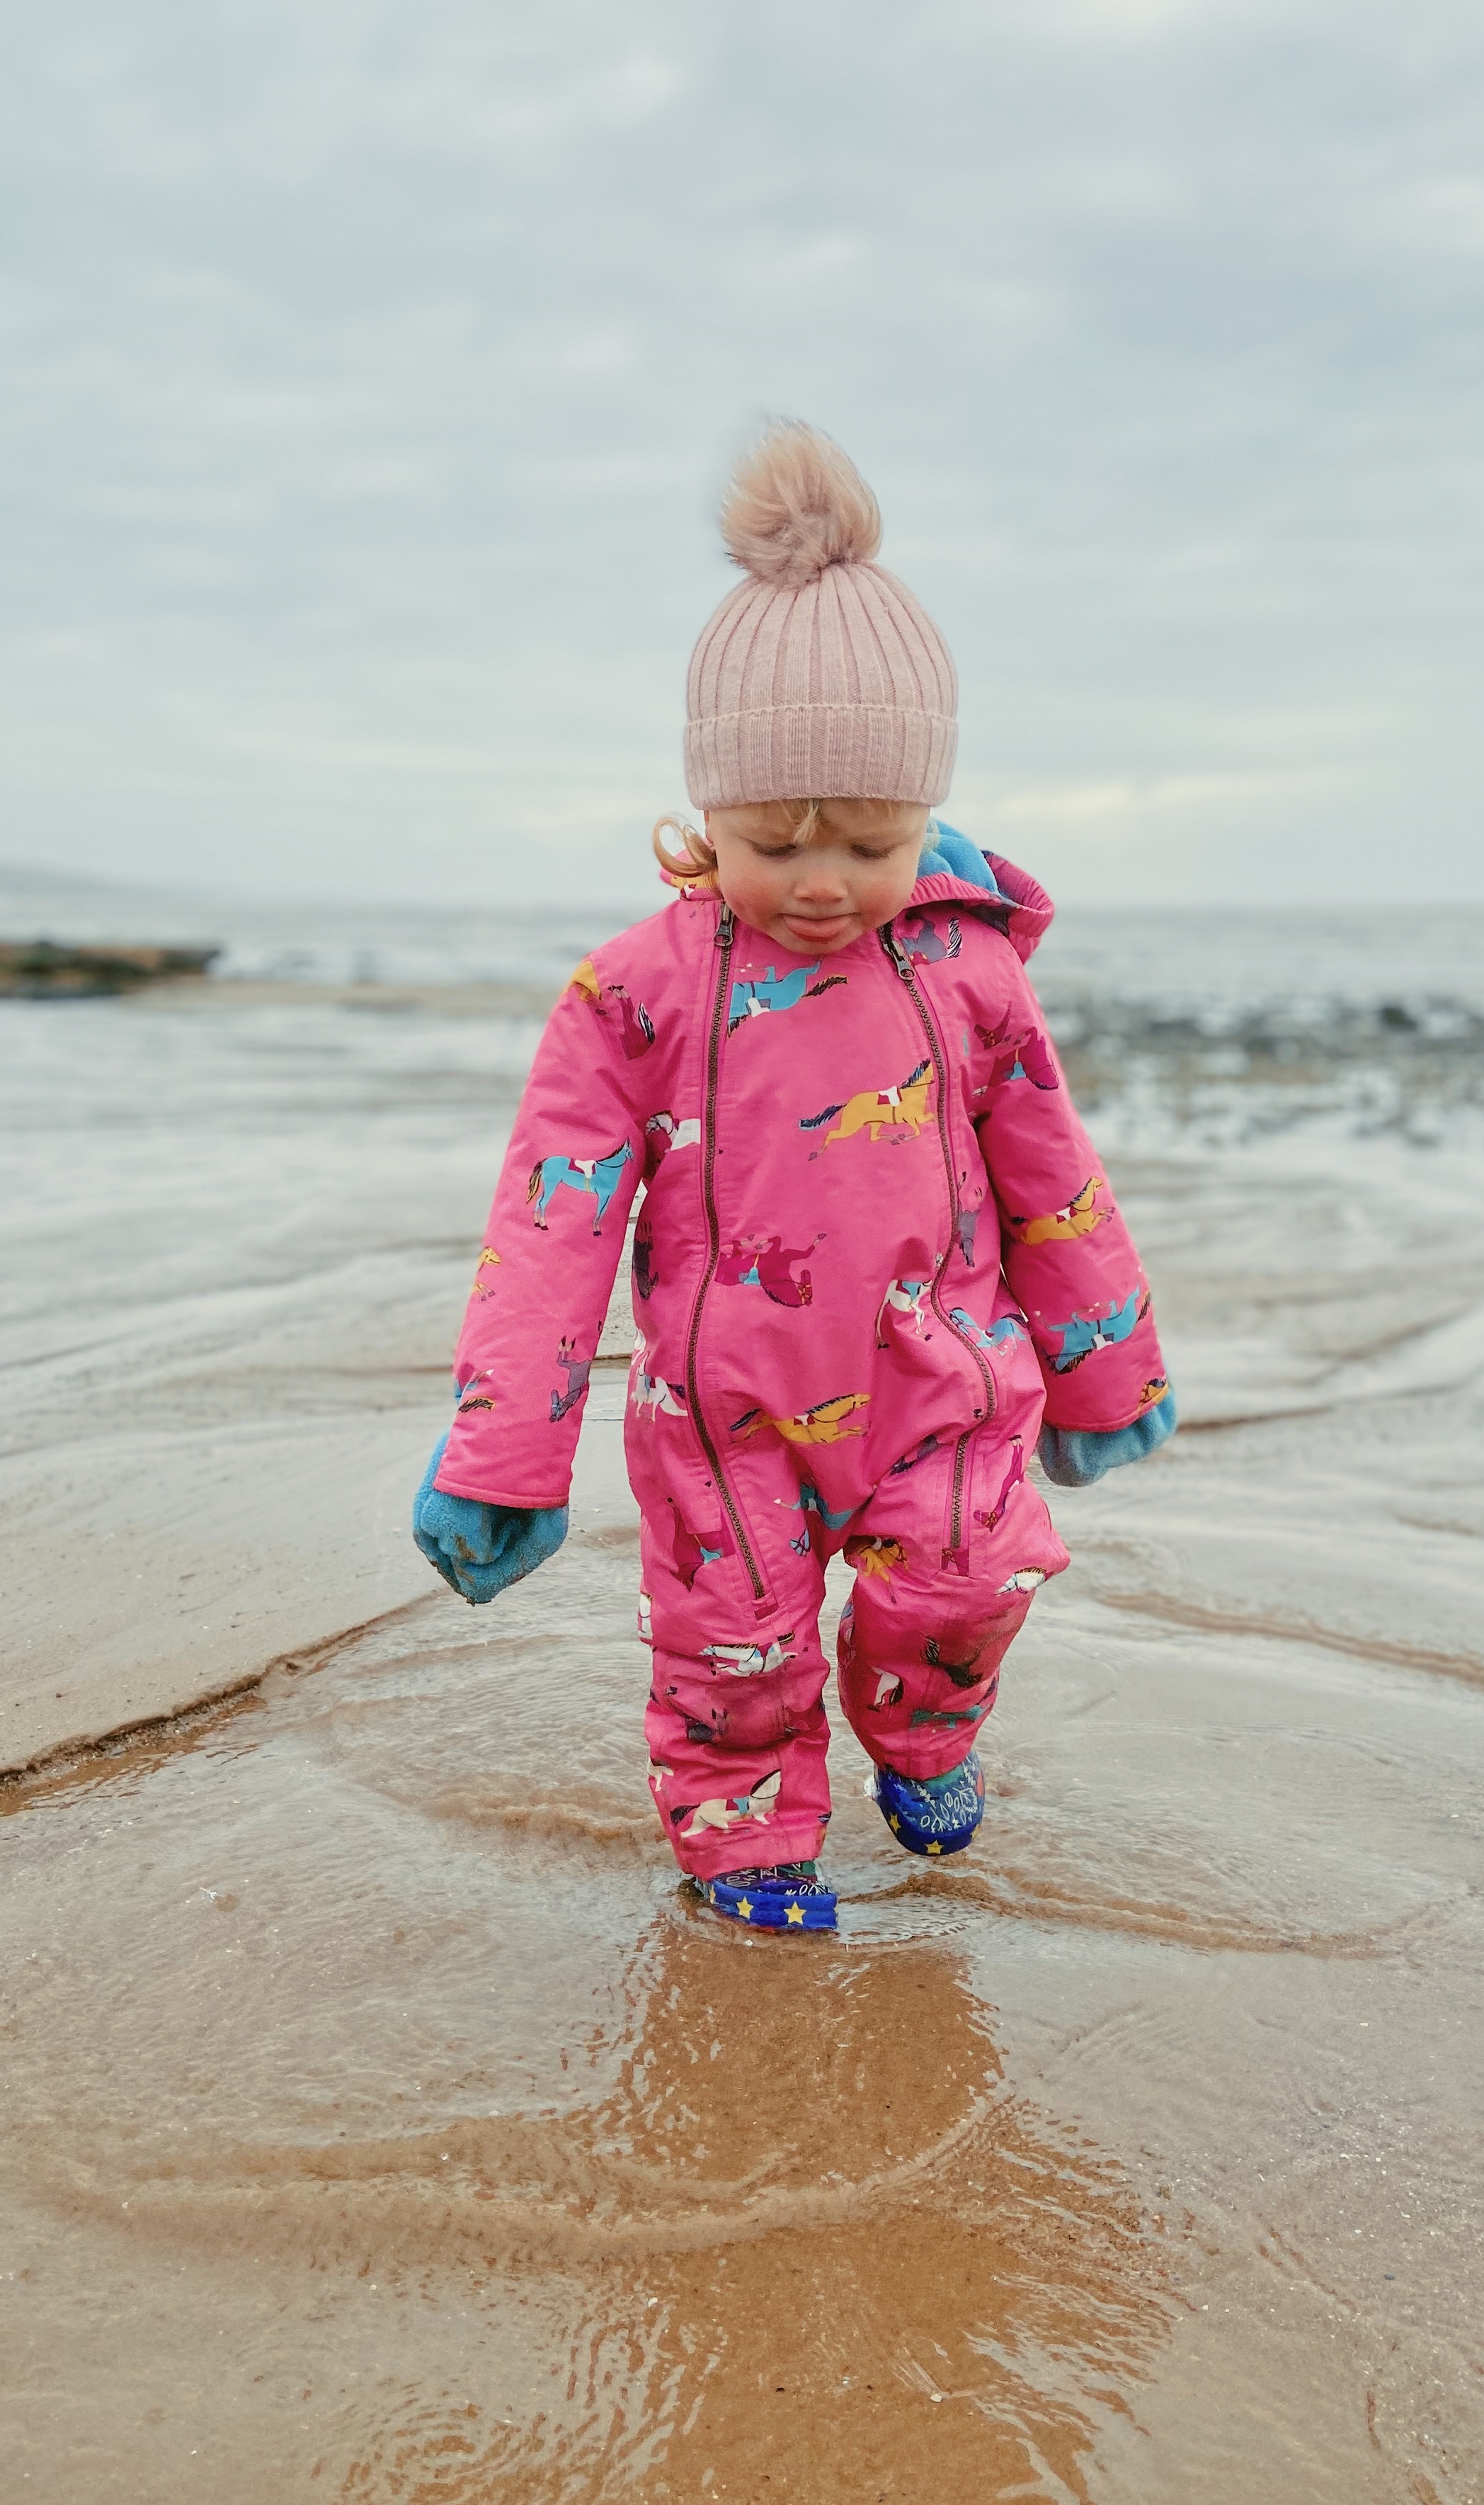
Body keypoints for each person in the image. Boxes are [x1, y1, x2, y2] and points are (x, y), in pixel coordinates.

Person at [413, 423, 1174, 1931]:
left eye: (871, 841)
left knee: (967, 1585)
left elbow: (1051, 1178)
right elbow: (552, 1216)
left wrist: (1105, 1369)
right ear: (707, 816)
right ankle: (749, 1845)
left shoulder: (970, 975)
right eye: (774, 841)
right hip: (722, 1409)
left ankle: (927, 1735)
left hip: (937, 1375)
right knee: (734, 1645)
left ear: (928, 816)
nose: (822, 881)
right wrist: (505, 1448)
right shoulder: (641, 988)